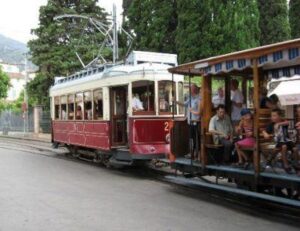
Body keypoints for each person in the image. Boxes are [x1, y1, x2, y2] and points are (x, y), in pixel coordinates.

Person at [262, 109, 294, 173]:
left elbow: (287, 122)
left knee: (295, 148)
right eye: (272, 116)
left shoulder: (283, 122)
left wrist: (279, 124)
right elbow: (264, 131)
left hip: (286, 141)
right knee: (284, 147)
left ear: (279, 116)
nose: (272, 117)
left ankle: (296, 164)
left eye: (274, 116)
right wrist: (265, 133)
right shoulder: (271, 124)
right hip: (277, 142)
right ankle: (285, 164)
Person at [175, 83, 201, 159]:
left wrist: (192, 111)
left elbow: (199, 111)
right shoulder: (190, 98)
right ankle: (191, 153)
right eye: (190, 89)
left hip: (196, 121)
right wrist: (176, 102)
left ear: (195, 89)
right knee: (191, 138)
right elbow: (184, 104)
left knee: (197, 138)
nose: (190, 90)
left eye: (191, 88)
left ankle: (197, 154)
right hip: (190, 121)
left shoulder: (199, 98)